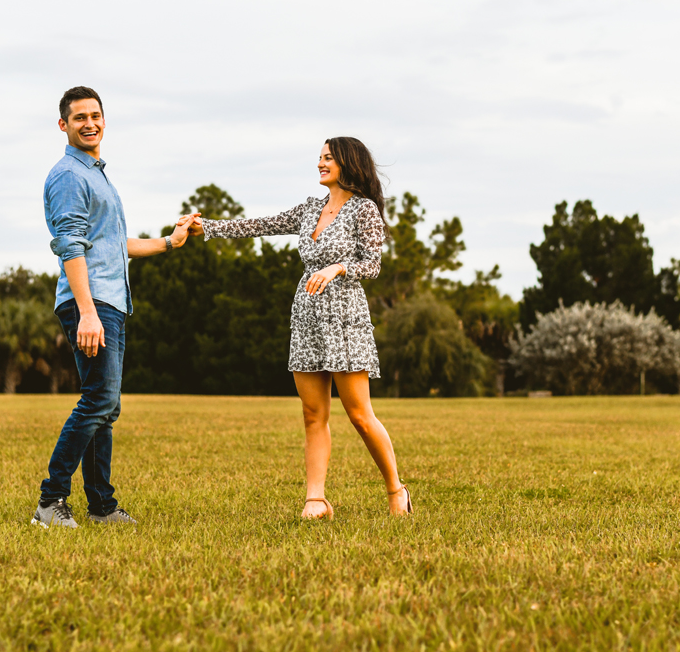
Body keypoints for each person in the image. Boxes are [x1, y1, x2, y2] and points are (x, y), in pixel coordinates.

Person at [187, 137, 412, 518]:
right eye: (320, 157)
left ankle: (396, 489)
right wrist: (205, 227)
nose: (321, 163)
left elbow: (372, 265)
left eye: (328, 158)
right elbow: (260, 224)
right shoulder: (310, 209)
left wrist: (337, 267)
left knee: (359, 413)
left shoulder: (365, 211)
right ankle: (316, 499)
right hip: (307, 315)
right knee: (312, 413)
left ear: (347, 162)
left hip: (345, 317)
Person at [33, 86, 196, 530]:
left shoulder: (97, 175)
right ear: (63, 125)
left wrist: (168, 242)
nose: (89, 123)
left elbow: (110, 245)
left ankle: (102, 507)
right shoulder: (69, 175)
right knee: (100, 400)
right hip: (92, 303)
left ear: (104, 119)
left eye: (95, 115)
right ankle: (50, 502)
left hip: (110, 301)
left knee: (104, 406)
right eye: (79, 117)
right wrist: (86, 310)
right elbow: (69, 244)